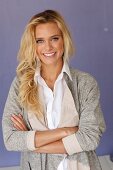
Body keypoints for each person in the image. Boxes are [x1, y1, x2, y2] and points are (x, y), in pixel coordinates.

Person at [2, 10, 106, 170]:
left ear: (64, 40)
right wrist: (65, 132)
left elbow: (89, 139)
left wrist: (31, 142)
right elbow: (11, 140)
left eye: (54, 39)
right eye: (40, 41)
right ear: (33, 45)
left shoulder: (85, 83)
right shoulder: (21, 84)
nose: (48, 47)